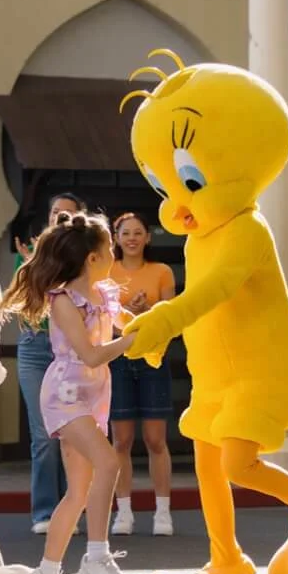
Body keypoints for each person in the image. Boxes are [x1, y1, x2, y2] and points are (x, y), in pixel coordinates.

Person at [2, 211, 140, 574]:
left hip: (94, 395)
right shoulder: (63, 301)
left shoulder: (105, 294)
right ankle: (97, 556)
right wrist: (129, 342)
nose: (114, 253)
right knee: (108, 460)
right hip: (66, 395)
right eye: (109, 248)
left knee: (79, 491)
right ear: (92, 258)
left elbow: (131, 325)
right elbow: (93, 352)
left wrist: (153, 327)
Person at [12, 192, 85, 535]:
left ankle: (69, 510)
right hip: (35, 347)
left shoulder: (84, 261)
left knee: (68, 433)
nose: (60, 218)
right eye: (56, 212)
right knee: (43, 434)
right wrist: (32, 272)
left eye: (68, 214)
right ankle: (44, 512)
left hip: (70, 350)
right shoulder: (30, 257)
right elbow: (21, 306)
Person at [106, 210, 176, 536]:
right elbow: (99, 320)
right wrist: (126, 314)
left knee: (155, 439)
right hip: (117, 357)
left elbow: (171, 318)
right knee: (120, 440)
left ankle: (163, 512)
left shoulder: (161, 272)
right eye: (125, 233)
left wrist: (146, 312)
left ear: (148, 237)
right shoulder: (105, 272)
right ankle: (124, 512)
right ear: (116, 238)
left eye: (138, 232)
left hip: (152, 358)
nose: (132, 238)